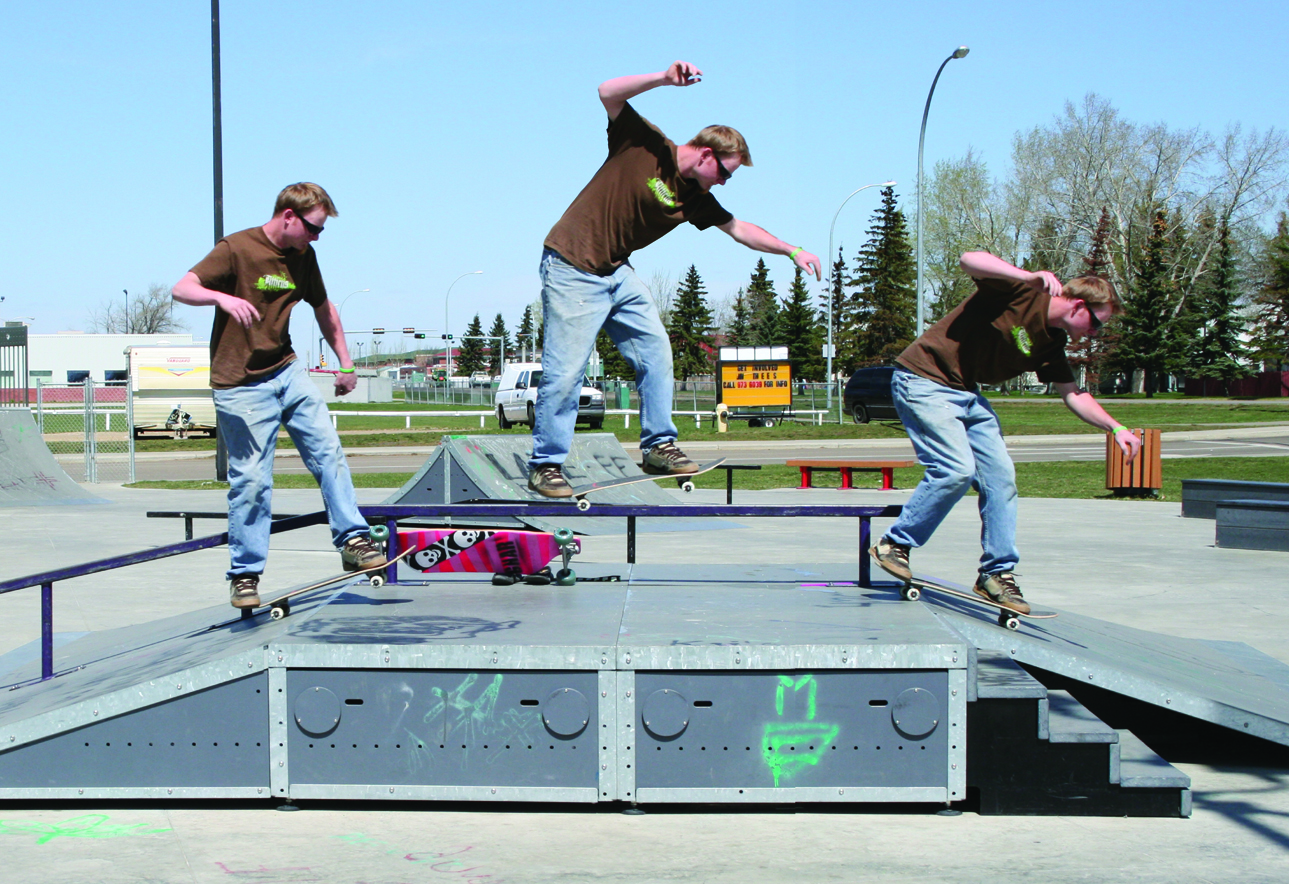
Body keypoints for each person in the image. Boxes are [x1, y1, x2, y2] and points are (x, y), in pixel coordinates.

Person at [529, 60, 822, 498]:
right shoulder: (645, 144)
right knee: (566, 372)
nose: (722, 183)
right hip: (572, 265)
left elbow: (740, 229)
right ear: (706, 154)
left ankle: (657, 444)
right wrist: (663, 80)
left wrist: (792, 250)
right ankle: (546, 464)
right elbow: (608, 91)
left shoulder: (696, 198)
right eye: (723, 173)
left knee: (656, 353)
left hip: (616, 272)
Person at [869, 251, 1141, 613]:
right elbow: (967, 259)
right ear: (1078, 305)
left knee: (1002, 479)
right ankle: (894, 544)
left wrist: (1116, 427)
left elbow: (1073, 394)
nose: (1093, 334)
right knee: (955, 470)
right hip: (923, 380)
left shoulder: (1051, 343)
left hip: (966, 394)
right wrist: (1025, 275)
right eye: (1095, 324)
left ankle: (996, 574)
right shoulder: (1022, 292)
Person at [172, 182, 386, 608]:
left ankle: (354, 540)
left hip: (287, 371)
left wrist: (346, 363)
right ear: (289, 216)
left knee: (329, 451)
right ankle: (245, 574)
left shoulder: (304, 257)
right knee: (251, 480)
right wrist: (220, 297)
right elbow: (182, 287)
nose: (316, 237)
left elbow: (324, 309)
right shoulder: (236, 248)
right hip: (240, 384)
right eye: (313, 228)